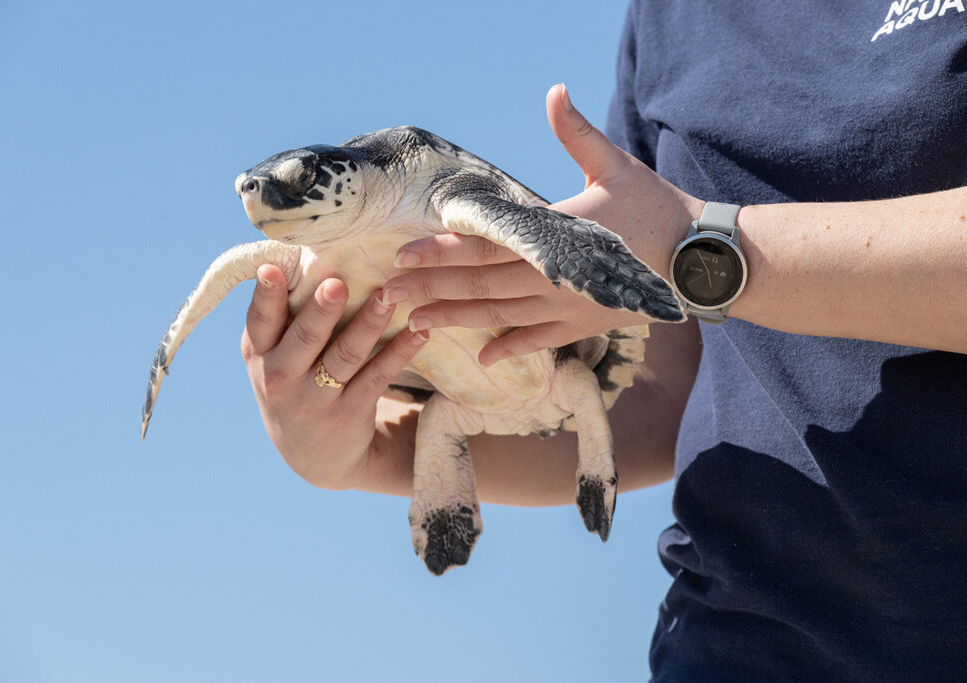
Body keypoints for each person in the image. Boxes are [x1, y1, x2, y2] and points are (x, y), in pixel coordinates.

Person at [239, 3, 967, 679]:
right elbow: (663, 393)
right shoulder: (675, 16)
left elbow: (667, 247)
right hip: (733, 640)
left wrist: (698, 249)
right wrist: (366, 449)